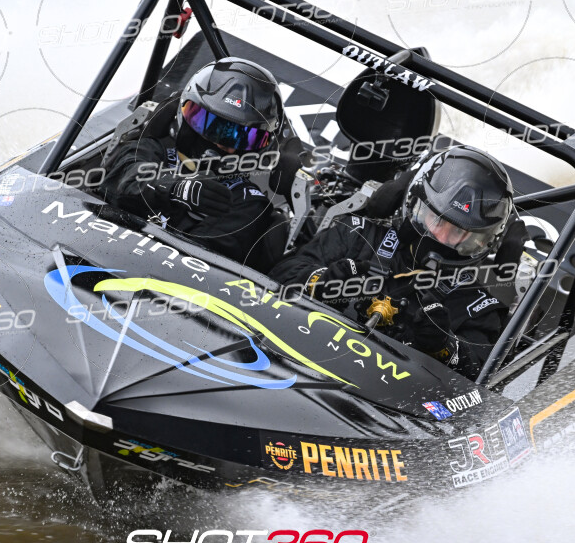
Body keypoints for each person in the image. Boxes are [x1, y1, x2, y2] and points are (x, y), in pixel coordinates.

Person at [270, 146, 524, 380]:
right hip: (296, 361)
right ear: (416, 205)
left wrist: (443, 348)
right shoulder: (358, 234)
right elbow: (278, 275)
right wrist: (320, 282)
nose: (441, 237)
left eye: (458, 232)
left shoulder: (477, 306)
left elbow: (479, 379)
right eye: (437, 221)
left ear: (481, 240)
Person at [102, 57, 284, 267]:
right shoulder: (152, 149)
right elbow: (121, 180)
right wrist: (176, 188)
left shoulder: (247, 201)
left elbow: (200, 263)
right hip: (101, 246)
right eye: (213, 126)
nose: (223, 144)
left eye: (241, 136)